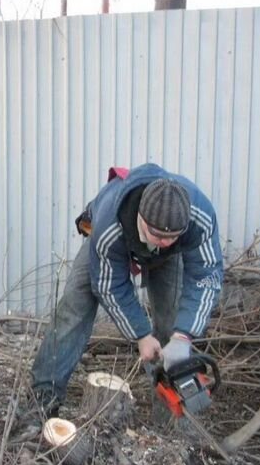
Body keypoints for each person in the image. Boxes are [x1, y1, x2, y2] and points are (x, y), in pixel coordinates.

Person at [26, 162, 223, 420]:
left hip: (169, 257)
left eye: (172, 236)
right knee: (74, 309)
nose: (164, 241)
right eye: (158, 235)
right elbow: (109, 286)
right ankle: (42, 400)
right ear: (142, 218)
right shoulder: (109, 227)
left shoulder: (199, 217)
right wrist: (141, 334)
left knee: (173, 322)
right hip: (111, 241)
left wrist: (183, 336)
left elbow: (206, 275)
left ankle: (174, 419)